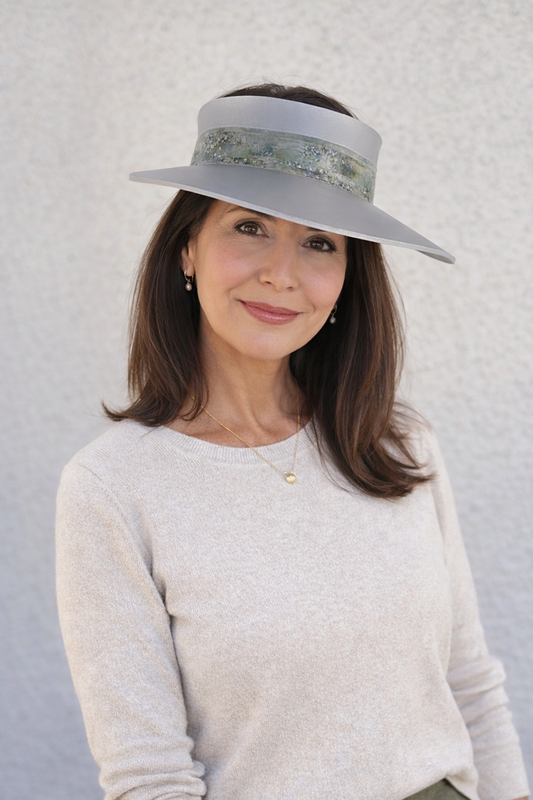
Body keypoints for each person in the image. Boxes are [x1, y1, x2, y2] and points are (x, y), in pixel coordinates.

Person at [55, 83, 530, 800]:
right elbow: (148, 776)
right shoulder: (114, 487)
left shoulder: (397, 443)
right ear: (187, 248)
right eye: (249, 226)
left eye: (318, 242)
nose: (282, 273)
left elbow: (469, 689)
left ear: (346, 277)